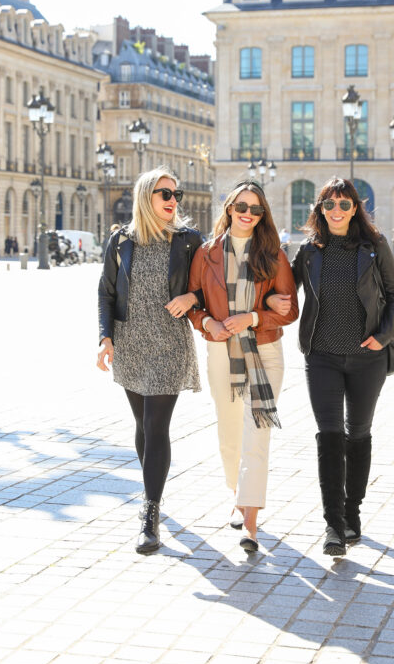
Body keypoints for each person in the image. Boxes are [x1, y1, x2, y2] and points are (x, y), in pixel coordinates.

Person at [268, 177, 394, 557]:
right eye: (330, 205)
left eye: (345, 205)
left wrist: (383, 334)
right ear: (320, 210)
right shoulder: (310, 251)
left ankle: (352, 513)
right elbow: (284, 287)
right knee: (328, 435)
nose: (337, 211)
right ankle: (332, 524)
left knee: (357, 434)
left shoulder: (374, 246)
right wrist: (268, 301)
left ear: (355, 209)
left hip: (367, 358)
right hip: (322, 356)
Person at [97, 167, 202, 554]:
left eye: (177, 194)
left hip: (170, 344)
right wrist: (104, 337)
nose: (173, 201)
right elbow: (106, 293)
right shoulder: (121, 241)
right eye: (165, 194)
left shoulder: (189, 240)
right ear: (146, 197)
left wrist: (193, 298)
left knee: (157, 426)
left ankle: (150, 513)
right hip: (130, 344)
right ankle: (151, 491)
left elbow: (211, 285)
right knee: (142, 424)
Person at [188, 181, 298, 552]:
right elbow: (195, 304)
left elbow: (290, 310)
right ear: (229, 209)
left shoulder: (274, 255)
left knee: (257, 430)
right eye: (241, 207)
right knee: (229, 430)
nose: (247, 214)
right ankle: (237, 493)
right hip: (221, 351)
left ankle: (250, 522)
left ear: (262, 215)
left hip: (265, 351)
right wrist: (208, 324)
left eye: (255, 209)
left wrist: (253, 317)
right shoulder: (206, 254)